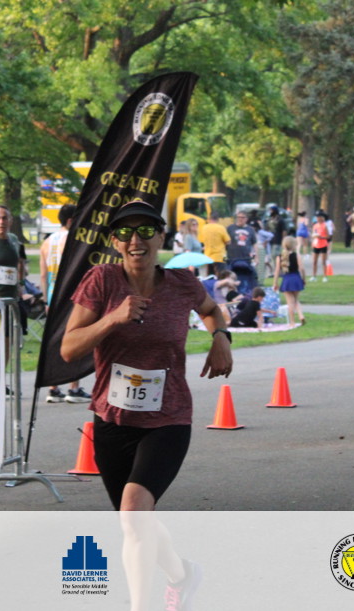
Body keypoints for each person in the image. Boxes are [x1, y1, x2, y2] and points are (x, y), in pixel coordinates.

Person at [60, 200, 231, 609]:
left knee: (135, 511)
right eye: (124, 232)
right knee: (137, 522)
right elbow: (68, 348)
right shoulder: (101, 281)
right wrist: (112, 319)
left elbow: (211, 310)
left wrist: (221, 337)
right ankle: (182, 575)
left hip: (167, 418)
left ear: (161, 236)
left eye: (145, 231)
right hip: (113, 419)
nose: (135, 240)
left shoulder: (182, 283)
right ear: (114, 241)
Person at [39, 203, 90, 403]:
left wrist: (46, 300)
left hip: (53, 296)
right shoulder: (74, 239)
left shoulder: (47, 242)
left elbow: (43, 275)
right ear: (70, 221)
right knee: (76, 339)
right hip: (72, 297)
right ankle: (73, 388)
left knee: (55, 341)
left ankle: (53, 388)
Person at [274, 235, 306, 325]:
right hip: (296, 278)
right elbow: (301, 268)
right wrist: (303, 279)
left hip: (287, 280)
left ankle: (292, 322)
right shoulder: (297, 255)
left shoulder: (280, 257)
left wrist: (275, 283)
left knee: (290, 302)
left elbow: (277, 271)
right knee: (296, 300)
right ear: (293, 245)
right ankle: (301, 315)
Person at [198, 212, 230, 276]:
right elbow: (228, 241)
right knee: (222, 276)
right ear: (218, 219)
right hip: (221, 256)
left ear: (209, 218)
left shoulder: (204, 228)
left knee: (210, 276)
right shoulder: (221, 228)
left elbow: (202, 241)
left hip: (208, 256)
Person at [310, 212, 331, 281]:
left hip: (323, 245)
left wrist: (321, 237)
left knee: (323, 261)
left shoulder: (325, 226)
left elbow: (328, 236)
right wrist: (314, 237)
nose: (317, 218)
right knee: (314, 261)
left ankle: (325, 276)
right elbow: (313, 234)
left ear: (322, 218)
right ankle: (314, 276)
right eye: (317, 217)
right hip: (316, 244)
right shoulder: (315, 225)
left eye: (319, 217)